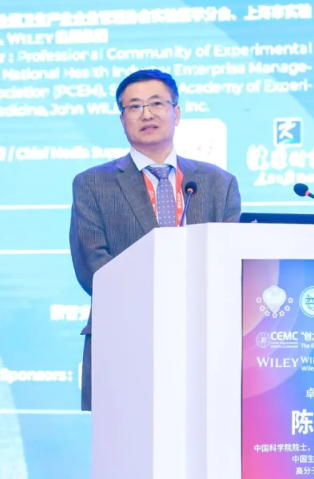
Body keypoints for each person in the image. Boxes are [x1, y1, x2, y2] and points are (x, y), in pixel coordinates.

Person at [69, 69, 242, 411]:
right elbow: (93, 266)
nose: (146, 114)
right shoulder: (92, 183)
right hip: (124, 338)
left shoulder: (218, 182)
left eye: (156, 104)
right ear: (122, 120)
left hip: (204, 340)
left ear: (176, 113)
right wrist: (161, 301)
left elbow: (229, 260)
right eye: (134, 106)